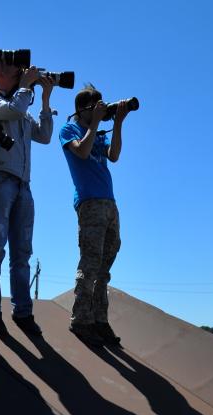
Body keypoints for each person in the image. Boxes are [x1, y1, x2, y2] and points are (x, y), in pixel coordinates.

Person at [0, 61, 54, 335]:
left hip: (24, 185)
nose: (23, 74)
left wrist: (45, 100)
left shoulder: (23, 108)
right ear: (0, 75)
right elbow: (11, 110)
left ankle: (23, 312)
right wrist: (26, 86)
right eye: (16, 70)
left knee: (22, 253)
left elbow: (45, 136)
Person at [59, 85, 128, 346]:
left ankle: (100, 320)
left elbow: (115, 156)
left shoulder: (98, 131)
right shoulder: (69, 130)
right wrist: (95, 123)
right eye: (95, 106)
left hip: (110, 204)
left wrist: (118, 122)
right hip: (89, 204)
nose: (100, 109)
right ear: (82, 109)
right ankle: (80, 320)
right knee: (90, 263)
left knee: (104, 268)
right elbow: (82, 152)